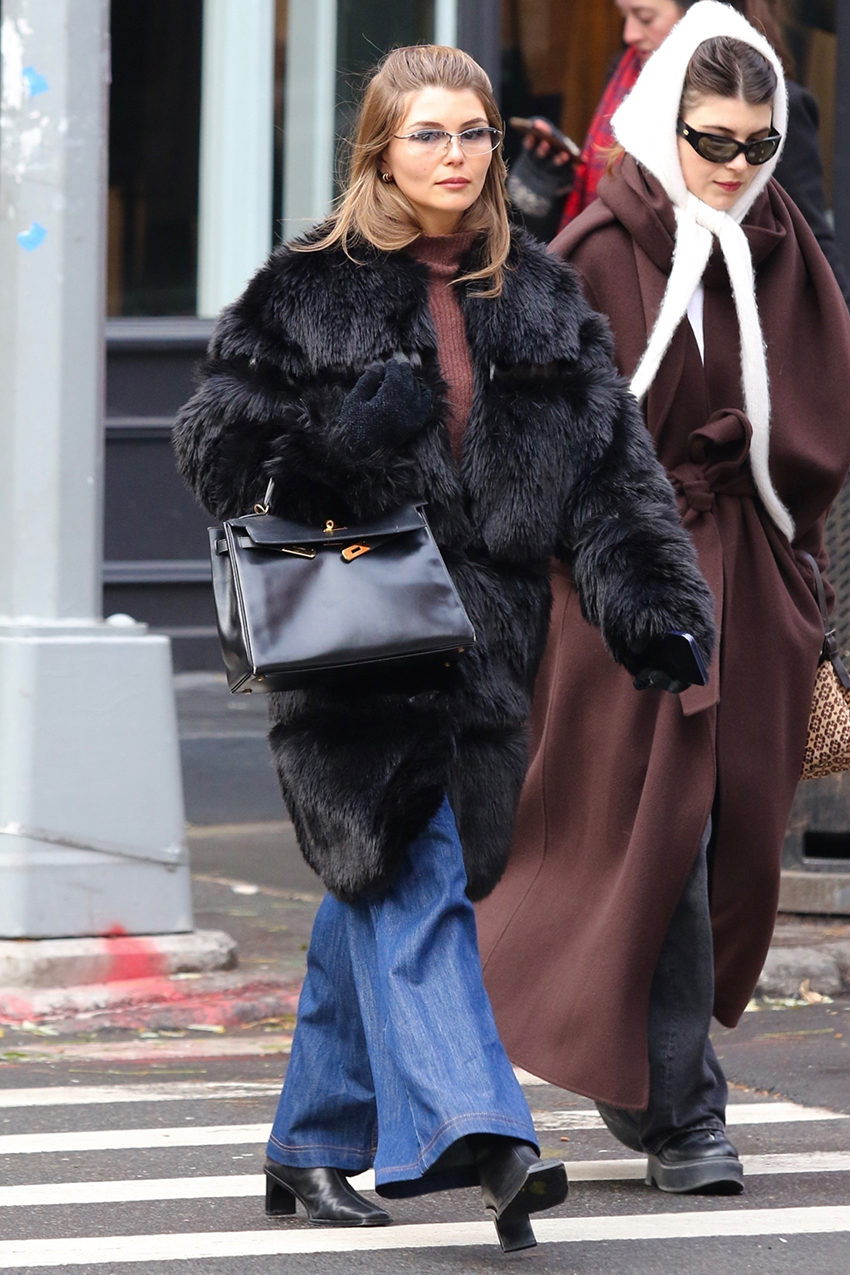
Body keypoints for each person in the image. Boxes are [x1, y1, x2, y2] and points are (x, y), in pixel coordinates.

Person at [173, 43, 715, 1250]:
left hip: (489, 652)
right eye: (427, 135)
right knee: (413, 884)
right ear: (379, 148)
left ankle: (307, 1145)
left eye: (472, 133)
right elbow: (216, 455)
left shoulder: (538, 297)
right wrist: (338, 446)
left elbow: (612, 480)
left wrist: (654, 615)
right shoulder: (304, 287)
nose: (456, 158)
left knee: (376, 882)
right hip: (353, 641)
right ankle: (488, 1135)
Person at [479, 1, 850, 1196]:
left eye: (758, 145)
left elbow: (820, 432)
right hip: (620, 593)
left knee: (733, 839)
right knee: (662, 837)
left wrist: (802, 589)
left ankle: (642, 1080)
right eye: (712, 140)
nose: (734, 169)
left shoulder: (786, 249)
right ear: (661, 121)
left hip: (751, 575)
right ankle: (689, 1113)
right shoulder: (596, 248)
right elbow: (537, 445)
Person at [508, 0, 850, 303]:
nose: (628, 34)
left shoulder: (772, 107)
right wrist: (538, 193)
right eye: (716, 141)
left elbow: (813, 248)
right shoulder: (626, 83)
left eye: (644, 17)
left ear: (697, 15)